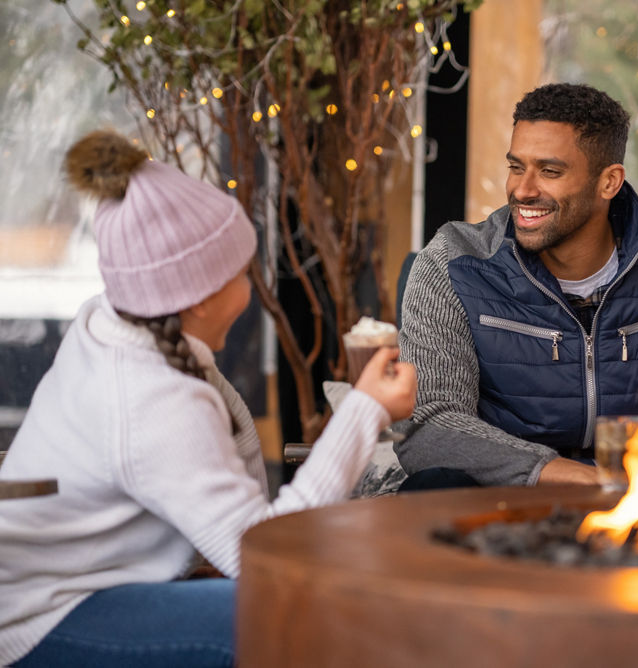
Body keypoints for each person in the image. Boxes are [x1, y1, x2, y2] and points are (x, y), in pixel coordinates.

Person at [0, 130, 416, 666]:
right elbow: (266, 551)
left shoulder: (116, 322)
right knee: (289, 612)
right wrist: (367, 408)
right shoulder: (148, 396)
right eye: (241, 273)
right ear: (196, 297)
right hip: (44, 618)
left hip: (79, 588)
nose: (251, 286)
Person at [396, 83, 638, 489]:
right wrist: (576, 477)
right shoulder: (456, 262)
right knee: (434, 486)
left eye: (549, 171)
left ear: (609, 182)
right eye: (516, 167)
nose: (523, 189)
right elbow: (426, 424)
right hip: (508, 495)